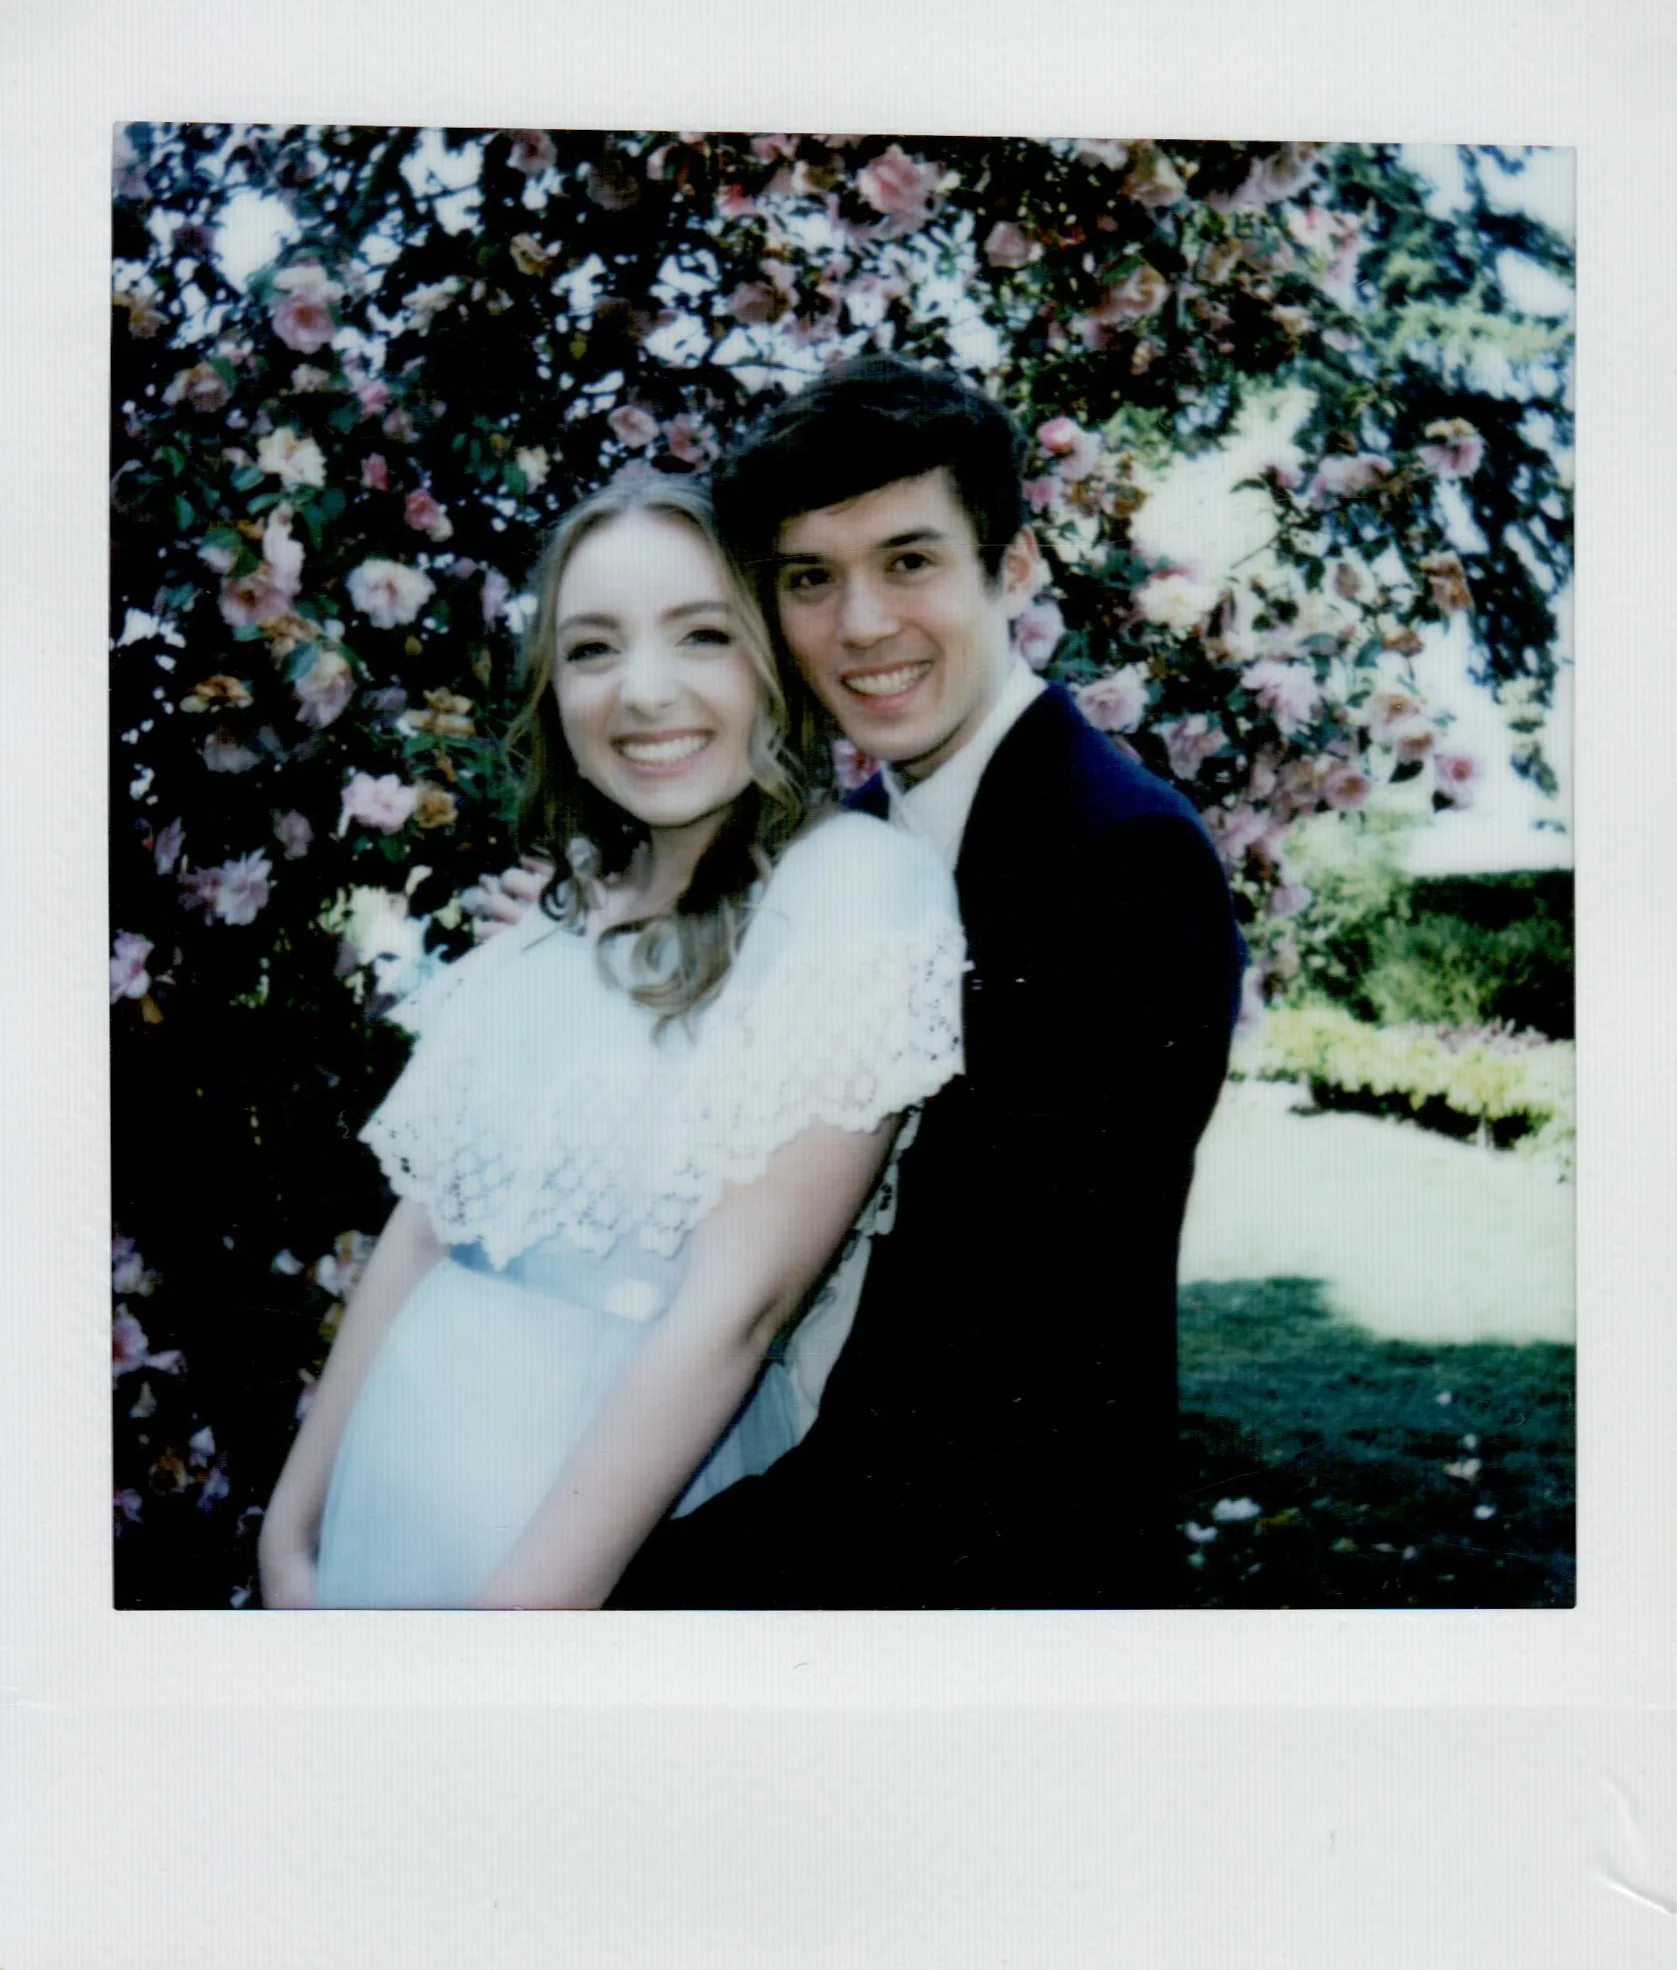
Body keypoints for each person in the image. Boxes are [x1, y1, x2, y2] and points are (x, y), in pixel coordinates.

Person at [490, 355, 1247, 1611]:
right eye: (810, 579)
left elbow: (989, 1399)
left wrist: (610, 1600)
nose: (860, 626)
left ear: (1013, 568)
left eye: (908, 561)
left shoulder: (1119, 864)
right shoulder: (837, 855)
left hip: (970, 1588)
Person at [257, 476, 965, 1609]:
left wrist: (515, 1631)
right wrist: (292, 1531)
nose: (642, 690)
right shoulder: (546, 929)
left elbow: (737, 1309)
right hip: (387, 1506)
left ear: (775, 664)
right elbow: (427, 1230)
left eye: (702, 634)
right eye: (592, 648)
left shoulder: (851, 891)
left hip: (594, 1558)